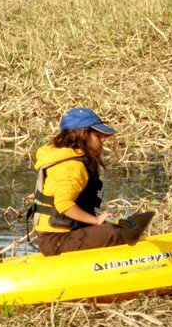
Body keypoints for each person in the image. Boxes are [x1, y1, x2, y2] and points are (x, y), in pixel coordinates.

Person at [28, 107, 127, 256]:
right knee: (117, 232)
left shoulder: (72, 159)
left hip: (63, 237)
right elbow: (64, 205)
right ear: (82, 135)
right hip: (56, 240)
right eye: (97, 135)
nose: (103, 139)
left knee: (119, 227)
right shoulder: (72, 166)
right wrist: (95, 221)